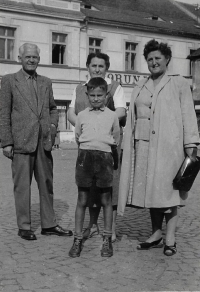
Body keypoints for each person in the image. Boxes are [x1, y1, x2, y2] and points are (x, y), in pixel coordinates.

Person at [118, 39, 199, 256]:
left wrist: (191, 144)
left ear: (167, 60)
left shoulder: (179, 83)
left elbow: (188, 115)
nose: (153, 62)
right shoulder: (140, 86)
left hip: (169, 146)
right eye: (150, 59)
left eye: (158, 58)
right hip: (143, 146)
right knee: (150, 192)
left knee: (169, 193)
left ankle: (170, 237)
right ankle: (156, 234)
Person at [0, 43, 73, 240]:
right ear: (20, 58)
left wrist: (52, 127)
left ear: (39, 60)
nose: (31, 60)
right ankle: (24, 226)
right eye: (28, 57)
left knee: (46, 184)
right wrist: (6, 142)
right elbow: (3, 113)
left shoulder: (46, 82)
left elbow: (52, 108)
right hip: (21, 142)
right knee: (22, 186)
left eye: (35, 57)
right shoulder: (8, 81)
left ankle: (49, 224)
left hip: (43, 142)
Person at [67, 52, 126, 242]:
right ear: (88, 67)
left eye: (101, 66)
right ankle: (92, 225)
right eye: (94, 66)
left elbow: (121, 112)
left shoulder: (114, 87)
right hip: (87, 144)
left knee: (110, 187)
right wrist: (85, 126)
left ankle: (112, 228)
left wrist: (99, 124)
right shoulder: (79, 88)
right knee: (89, 186)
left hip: (108, 146)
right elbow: (70, 112)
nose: (97, 69)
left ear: (106, 68)